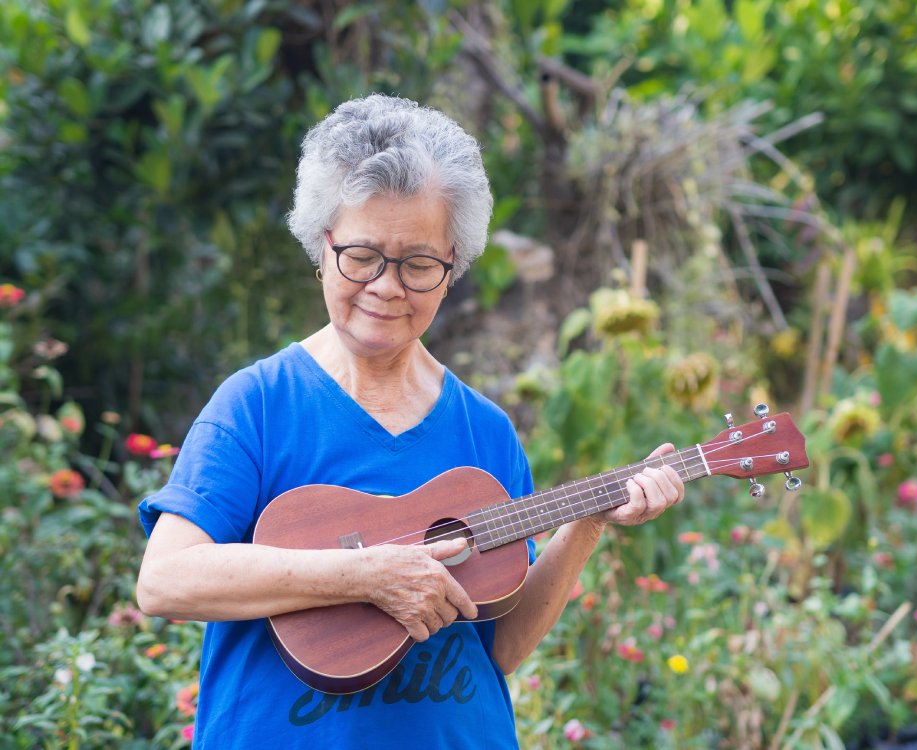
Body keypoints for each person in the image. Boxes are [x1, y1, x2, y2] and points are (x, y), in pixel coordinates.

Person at [136, 93, 684, 748]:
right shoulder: (258, 404)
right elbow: (165, 581)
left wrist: (588, 522)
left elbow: (498, 648)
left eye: (420, 263)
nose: (388, 287)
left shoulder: (485, 431)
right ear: (322, 245)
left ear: (453, 267)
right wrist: (366, 576)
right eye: (363, 256)